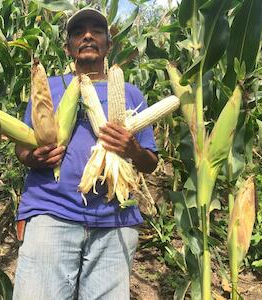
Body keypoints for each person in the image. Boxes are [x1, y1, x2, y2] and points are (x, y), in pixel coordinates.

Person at [13, 8, 158, 300]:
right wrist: (33, 158)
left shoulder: (132, 94)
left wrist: (132, 148)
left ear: (108, 45)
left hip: (114, 221)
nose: (88, 36)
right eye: (79, 32)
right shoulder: (48, 87)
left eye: (97, 31)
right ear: (68, 47)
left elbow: (151, 163)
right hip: (51, 213)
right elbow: (23, 147)